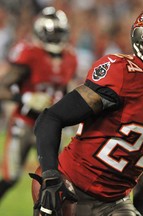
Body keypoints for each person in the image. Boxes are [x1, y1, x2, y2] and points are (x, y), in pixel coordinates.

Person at [29, 3, 143, 216]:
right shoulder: (123, 75)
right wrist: (50, 176)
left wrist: (142, 204)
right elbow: (51, 118)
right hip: (68, 186)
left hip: (114, 201)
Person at [0, 6, 77, 201]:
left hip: (50, 125)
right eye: (52, 34)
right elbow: (3, 87)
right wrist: (25, 98)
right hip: (24, 122)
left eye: (58, 33)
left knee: (53, 178)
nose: (55, 39)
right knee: (11, 177)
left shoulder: (70, 57)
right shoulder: (29, 53)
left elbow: (65, 90)